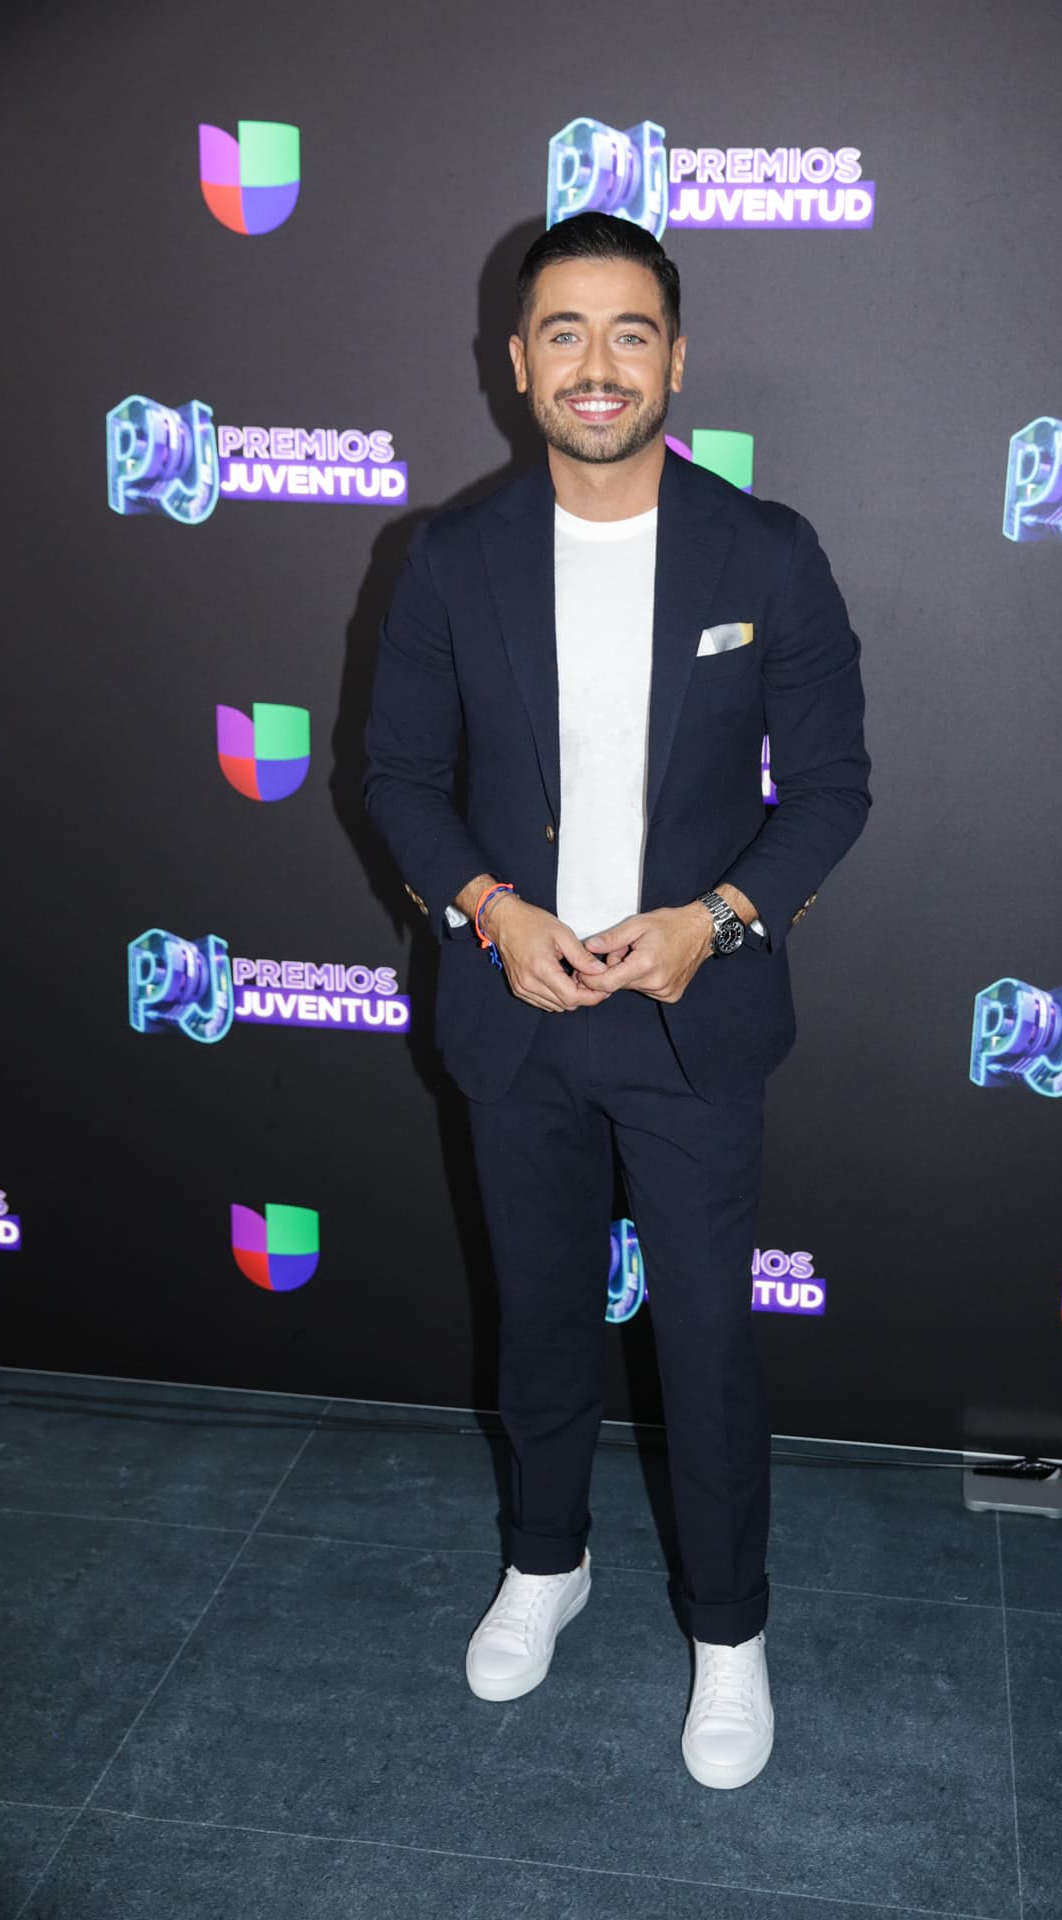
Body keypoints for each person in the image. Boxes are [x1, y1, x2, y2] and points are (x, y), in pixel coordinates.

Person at [364, 210, 870, 1789]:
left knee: (708, 1342)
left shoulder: (762, 550)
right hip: (515, 1014)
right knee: (538, 1320)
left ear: (674, 359)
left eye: (630, 331)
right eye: (565, 333)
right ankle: (546, 1561)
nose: (598, 364)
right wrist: (493, 913)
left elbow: (836, 791)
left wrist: (716, 923)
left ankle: (731, 1638)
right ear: (518, 366)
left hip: (687, 1020)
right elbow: (394, 777)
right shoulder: (446, 555)